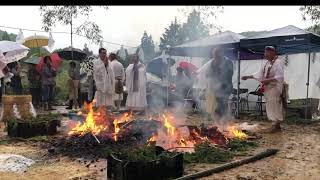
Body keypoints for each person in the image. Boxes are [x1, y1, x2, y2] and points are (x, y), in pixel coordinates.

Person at [242, 46, 284, 132]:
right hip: (267, 88)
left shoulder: (278, 62)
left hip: (275, 87)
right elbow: (259, 74)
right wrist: (248, 77)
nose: (266, 54)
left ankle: (276, 124)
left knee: (274, 104)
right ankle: (276, 125)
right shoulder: (265, 63)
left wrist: (267, 80)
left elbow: (280, 76)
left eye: (267, 53)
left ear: (273, 53)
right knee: (269, 105)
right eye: (265, 53)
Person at [206, 47, 234, 121]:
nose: (215, 56)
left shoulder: (228, 62)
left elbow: (229, 74)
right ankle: (221, 118)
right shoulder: (212, 62)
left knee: (223, 103)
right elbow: (208, 74)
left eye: (216, 54)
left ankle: (222, 118)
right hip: (215, 87)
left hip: (226, 87)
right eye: (214, 55)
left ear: (221, 53)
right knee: (219, 102)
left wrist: (220, 82)